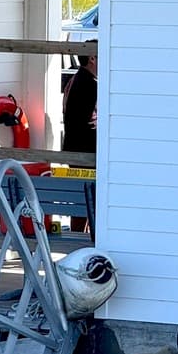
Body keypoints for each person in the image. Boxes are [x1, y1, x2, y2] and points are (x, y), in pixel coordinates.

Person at [62, 42, 97, 232]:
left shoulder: (74, 80)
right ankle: (86, 242)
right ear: (92, 58)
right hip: (86, 152)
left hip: (72, 147)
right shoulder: (90, 85)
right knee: (91, 202)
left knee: (81, 201)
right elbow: (89, 121)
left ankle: (78, 239)